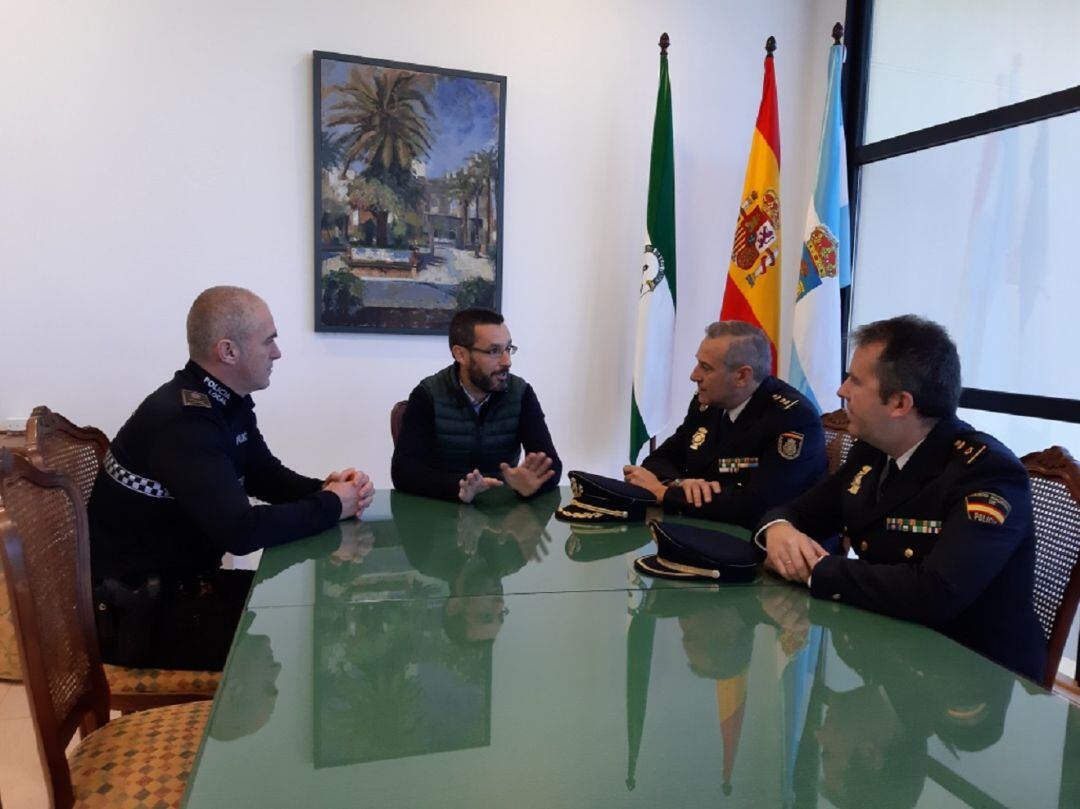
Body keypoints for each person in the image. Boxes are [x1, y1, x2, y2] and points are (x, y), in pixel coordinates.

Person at [89, 286, 374, 670]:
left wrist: (331, 488)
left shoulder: (223, 403)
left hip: (183, 588)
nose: (277, 353)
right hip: (143, 616)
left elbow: (264, 475)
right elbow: (241, 533)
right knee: (308, 629)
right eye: (269, 341)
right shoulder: (184, 421)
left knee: (309, 604)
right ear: (228, 351)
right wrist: (332, 504)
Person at [757, 315, 1046, 681]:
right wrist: (780, 529)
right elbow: (801, 510)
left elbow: (936, 592)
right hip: (889, 649)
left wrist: (815, 569)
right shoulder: (874, 451)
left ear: (899, 403)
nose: (841, 390)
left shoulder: (985, 473)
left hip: (969, 676)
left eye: (855, 380)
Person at [623, 320, 827, 528]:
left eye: (706, 367)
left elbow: (759, 505)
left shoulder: (792, 419)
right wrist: (681, 483)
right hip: (708, 527)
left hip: (772, 545)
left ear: (741, 376)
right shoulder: (709, 404)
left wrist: (665, 493)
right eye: (698, 363)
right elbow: (660, 459)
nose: (694, 375)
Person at [391, 307, 562, 503]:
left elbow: (551, 466)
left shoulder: (521, 393)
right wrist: (461, 486)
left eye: (508, 348)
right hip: (441, 512)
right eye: (494, 351)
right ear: (461, 355)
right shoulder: (428, 394)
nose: (507, 361)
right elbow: (404, 473)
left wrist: (530, 485)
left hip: (502, 517)